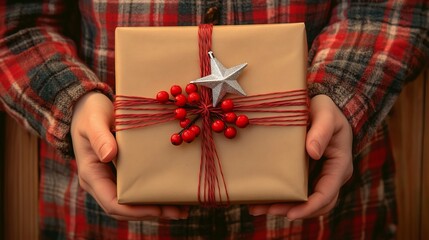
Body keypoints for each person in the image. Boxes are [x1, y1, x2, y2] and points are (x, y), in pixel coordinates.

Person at [0, 0, 427, 239]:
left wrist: (341, 92)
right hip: (103, 216)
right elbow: (15, 26)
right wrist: (71, 103)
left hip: (328, 217)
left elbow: (388, 11)